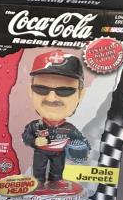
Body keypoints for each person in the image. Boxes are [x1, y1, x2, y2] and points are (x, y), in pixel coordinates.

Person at [20, 52, 90, 191]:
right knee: (38, 171)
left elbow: (82, 141)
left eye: (65, 90)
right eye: (41, 88)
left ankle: (55, 185)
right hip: (40, 152)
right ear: (30, 92)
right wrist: (34, 141)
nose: (51, 98)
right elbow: (26, 136)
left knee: (57, 172)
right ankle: (38, 185)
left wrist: (82, 150)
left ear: (80, 95)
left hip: (59, 153)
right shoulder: (35, 125)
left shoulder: (69, 128)